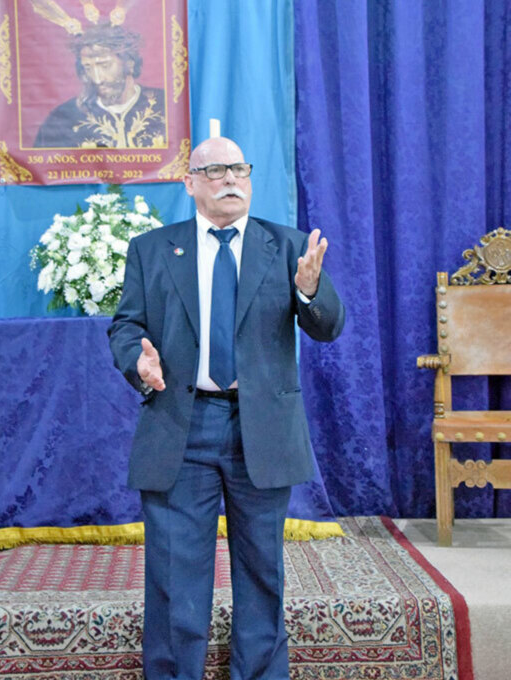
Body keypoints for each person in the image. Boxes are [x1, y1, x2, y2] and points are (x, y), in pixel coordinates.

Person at [108, 136, 345, 680]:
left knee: (262, 570)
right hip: (180, 425)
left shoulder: (287, 247)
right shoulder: (152, 249)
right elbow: (126, 325)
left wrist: (310, 292)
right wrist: (137, 361)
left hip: (261, 428)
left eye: (239, 168)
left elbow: (329, 328)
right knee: (176, 574)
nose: (230, 179)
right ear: (189, 183)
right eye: (215, 170)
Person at [34, 24, 166, 149]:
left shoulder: (166, 105)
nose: (97, 80)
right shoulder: (62, 119)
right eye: (88, 68)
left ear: (129, 63)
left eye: (105, 66)